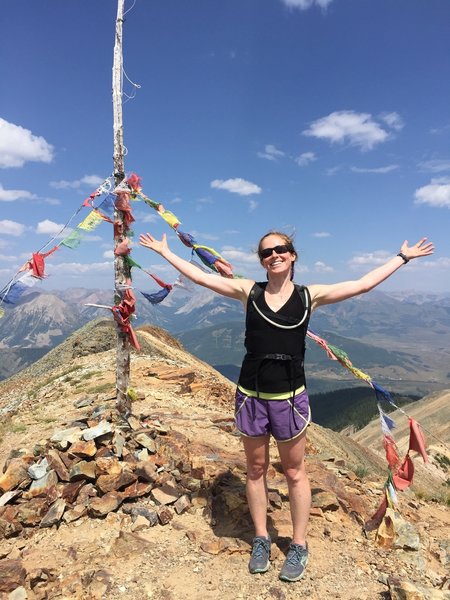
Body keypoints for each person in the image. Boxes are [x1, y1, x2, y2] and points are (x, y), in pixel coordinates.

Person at [139, 230, 434, 582]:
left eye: (281, 250)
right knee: (254, 469)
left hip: (290, 398)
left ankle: (298, 543)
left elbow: (363, 284)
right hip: (251, 395)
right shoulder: (249, 291)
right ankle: (261, 538)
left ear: (292, 256)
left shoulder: (311, 296)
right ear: (262, 260)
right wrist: (164, 252)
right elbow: (200, 276)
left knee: (295, 472)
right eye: (267, 252)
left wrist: (401, 258)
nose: (274, 255)